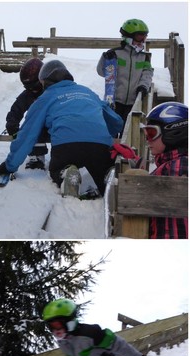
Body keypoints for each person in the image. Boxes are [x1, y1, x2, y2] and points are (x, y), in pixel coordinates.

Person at [0, 60, 124, 196]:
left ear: (45, 81)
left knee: (57, 168)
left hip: (66, 147)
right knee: (101, 167)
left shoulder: (45, 98)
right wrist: (103, 133)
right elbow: (116, 122)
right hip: (99, 147)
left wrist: (9, 166)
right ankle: (106, 176)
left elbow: (27, 134)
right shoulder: (87, 92)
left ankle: (65, 173)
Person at [141, 102, 188, 238]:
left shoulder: (179, 166)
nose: (147, 140)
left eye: (151, 133)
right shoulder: (169, 166)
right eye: (145, 133)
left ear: (174, 131)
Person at [96, 19, 153, 130]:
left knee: (129, 131)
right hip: (115, 101)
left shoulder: (144, 56)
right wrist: (105, 58)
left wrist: (143, 86)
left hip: (134, 102)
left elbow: (147, 74)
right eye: (139, 37)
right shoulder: (116, 53)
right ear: (128, 37)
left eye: (144, 37)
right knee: (113, 129)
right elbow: (102, 72)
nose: (142, 41)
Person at [5, 58, 49, 170]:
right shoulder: (28, 95)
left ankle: (63, 156)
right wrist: (12, 123)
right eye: (27, 87)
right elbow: (16, 109)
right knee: (32, 125)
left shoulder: (52, 92)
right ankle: (36, 155)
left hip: (56, 126)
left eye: (33, 86)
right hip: (39, 127)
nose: (31, 90)